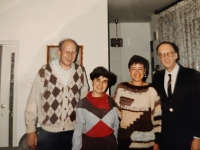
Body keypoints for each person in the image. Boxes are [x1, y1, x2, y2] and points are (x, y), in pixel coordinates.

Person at [24, 38, 89, 150]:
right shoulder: (45, 71)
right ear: (59, 52)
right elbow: (33, 101)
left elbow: (84, 98)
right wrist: (31, 130)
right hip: (48, 133)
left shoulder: (80, 71)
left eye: (73, 52)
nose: (70, 55)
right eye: (67, 52)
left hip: (73, 131)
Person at [152, 41, 200, 150]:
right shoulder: (157, 77)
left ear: (176, 55)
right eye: (162, 54)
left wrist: (198, 136)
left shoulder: (192, 75)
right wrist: (156, 140)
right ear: (159, 57)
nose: (166, 57)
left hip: (188, 137)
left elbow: (198, 106)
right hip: (165, 137)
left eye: (169, 53)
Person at [114, 55, 162, 150]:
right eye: (133, 69)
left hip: (147, 143)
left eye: (140, 69)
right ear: (129, 71)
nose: (137, 72)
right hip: (124, 141)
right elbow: (116, 115)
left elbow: (157, 118)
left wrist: (157, 142)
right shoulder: (121, 88)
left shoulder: (151, 90)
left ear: (145, 71)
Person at [72, 66, 119, 150]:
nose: (101, 84)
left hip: (109, 144)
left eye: (105, 81)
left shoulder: (111, 102)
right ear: (92, 81)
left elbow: (116, 125)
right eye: (98, 80)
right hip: (89, 144)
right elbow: (78, 131)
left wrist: (115, 143)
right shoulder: (83, 103)